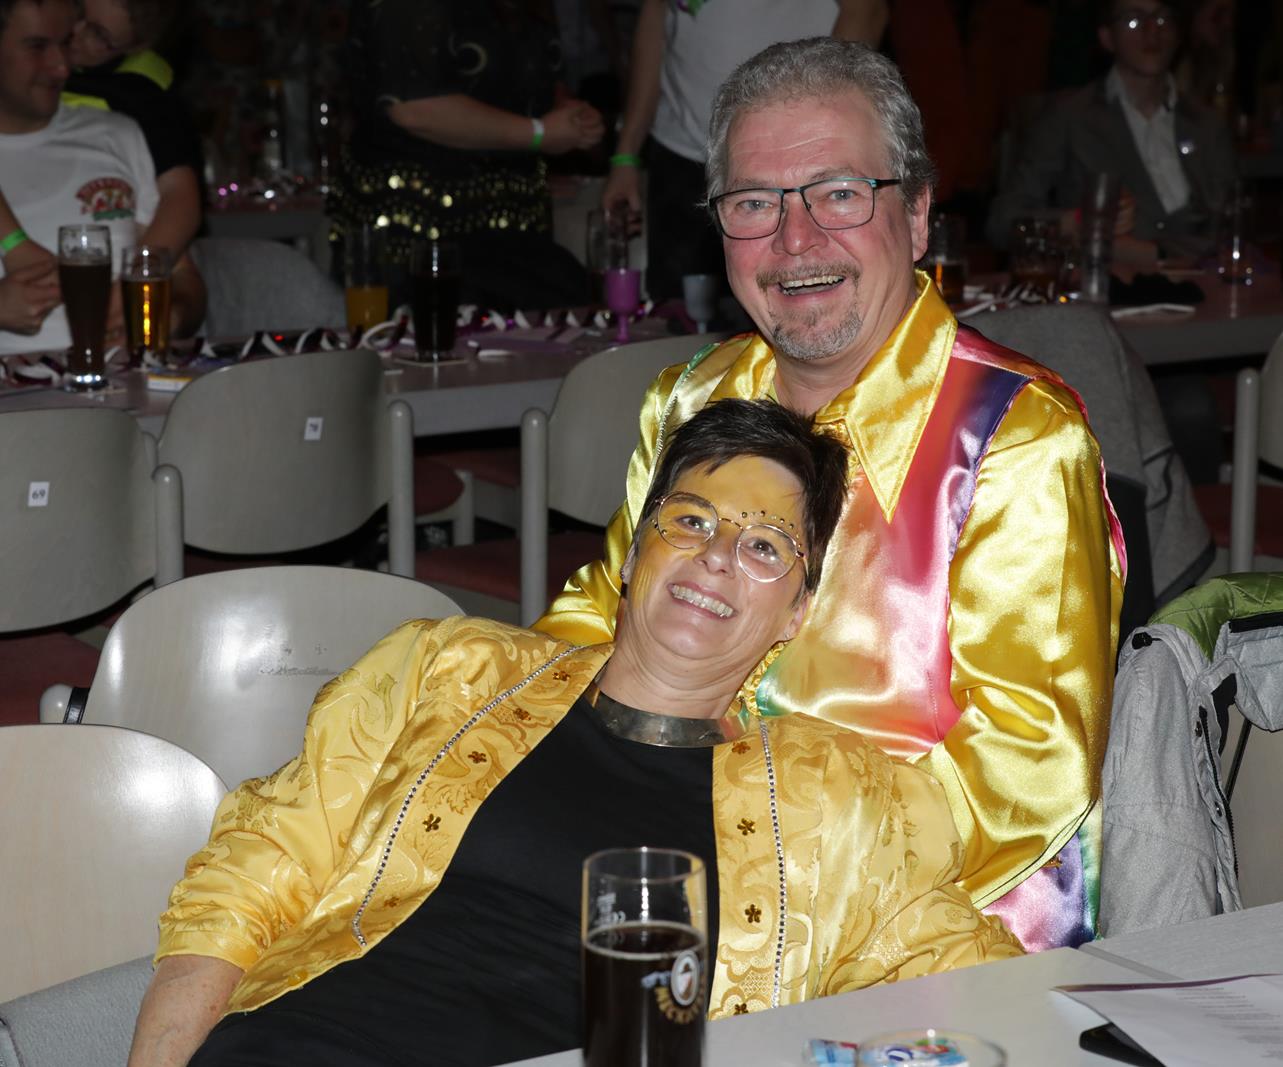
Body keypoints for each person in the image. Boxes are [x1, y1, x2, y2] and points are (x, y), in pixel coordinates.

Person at [126, 399, 1020, 1067]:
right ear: (634, 552)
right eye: (691, 520)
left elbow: (972, 984)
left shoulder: (836, 800)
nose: (716, 556)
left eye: (763, 547)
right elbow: (250, 875)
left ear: (797, 610)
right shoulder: (451, 672)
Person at [539, 37, 1126, 952]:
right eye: (754, 203)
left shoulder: (1014, 440)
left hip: (924, 937)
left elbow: (1024, 770)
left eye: (839, 194)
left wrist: (768, 884)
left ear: (918, 214)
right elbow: (599, 619)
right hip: (677, 878)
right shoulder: (691, 399)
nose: (794, 241)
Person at [327, 0, 605, 312]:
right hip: (421, 236)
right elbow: (412, 105)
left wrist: (570, 116)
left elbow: (525, 73)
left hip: (516, 233)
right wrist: (540, 132)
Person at [604, 0, 888, 303]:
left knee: (800, 298)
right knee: (672, 311)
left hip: (790, 159)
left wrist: (817, 125)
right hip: (680, 150)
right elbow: (656, 13)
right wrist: (626, 154)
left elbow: (867, 9)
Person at [0, 0, 204, 355]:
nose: (62, 66)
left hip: (128, 380)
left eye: (65, 42)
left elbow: (187, 281)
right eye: (37, 46)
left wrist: (159, 317)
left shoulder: (121, 129)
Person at [986, 0, 1237, 269]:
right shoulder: (1070, 117)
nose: (1152, 31)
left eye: (1162, 19)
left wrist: (1153, 254)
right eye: (1134, 20)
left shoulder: (1205, 124)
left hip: (1203, 283)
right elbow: (1001, 223)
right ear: (1107, 37)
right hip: (1109, 285)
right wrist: (1078, 222)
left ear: (1177, 35)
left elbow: (1234, 225)